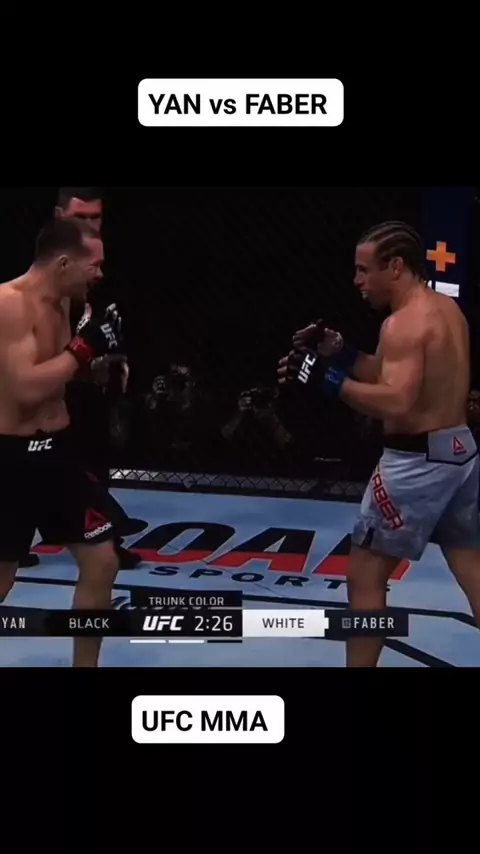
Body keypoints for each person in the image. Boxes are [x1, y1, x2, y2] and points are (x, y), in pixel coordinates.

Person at [278, 220, 480, 667]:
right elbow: (394, 375)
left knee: (364, 579)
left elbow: (396, 400)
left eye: (364, 270)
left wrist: (325, 379)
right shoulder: (446, 309)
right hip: (459, 453)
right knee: (473, 569)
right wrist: (341, 353)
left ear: (395, 267)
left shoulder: (402, 324)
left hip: (415, 465)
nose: (357, 281)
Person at [0, 218, 122, 667]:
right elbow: (26, 389)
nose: (100, 274)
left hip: (57, 452)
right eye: (95, 265)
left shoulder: (67, 303)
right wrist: (83, 350)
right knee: (2, 578)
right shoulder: (8, 305)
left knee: (102, 560)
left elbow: (64, 373)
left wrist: (101, 361)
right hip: (10, 458)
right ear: (64, 262)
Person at [56, 188, 147, 567]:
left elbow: (117, 325)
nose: (90, 225)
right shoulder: (42, 266)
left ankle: (104, 537)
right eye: (81, 217)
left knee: (93, 455)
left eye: (95, 217)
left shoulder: (105, 265)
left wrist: (115, 364)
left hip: (87, 384)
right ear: (60, 216)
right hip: (40, 379)